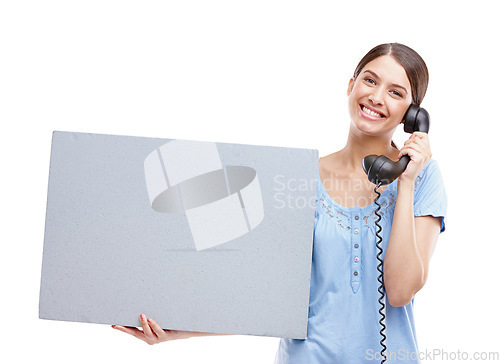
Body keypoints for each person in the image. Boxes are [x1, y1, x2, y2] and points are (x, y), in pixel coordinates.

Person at [112, 43, 448, 363]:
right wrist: (175, 331)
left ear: (413, 114)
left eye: (395, 91)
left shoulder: (422, 179)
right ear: (351, 85)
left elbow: (401, 291)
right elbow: (265, 297)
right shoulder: (299, 177)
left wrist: (405, 180)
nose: (376, 96)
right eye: (370, 80)